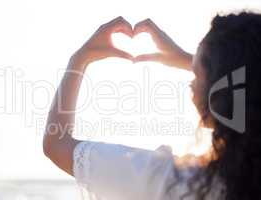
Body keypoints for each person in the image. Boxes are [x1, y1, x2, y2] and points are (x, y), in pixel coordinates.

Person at [43, 12, 261, 200]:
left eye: (196, 75)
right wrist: (200, 63)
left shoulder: (179, 183)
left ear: (218, 94)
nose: (190, 83)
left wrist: (80, 59)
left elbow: (57, 145)